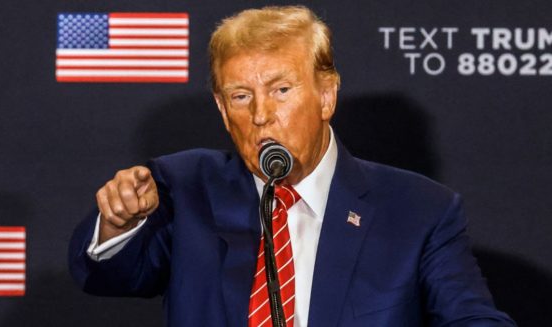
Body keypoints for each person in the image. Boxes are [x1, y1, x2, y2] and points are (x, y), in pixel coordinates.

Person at [69, 5, 516, 327]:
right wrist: (118, 222)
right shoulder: (184, 187)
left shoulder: (420, 209)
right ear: (224, 111)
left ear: (326, 96)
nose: (261, 114)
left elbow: (472, 317)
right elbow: (108, 276)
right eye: (241, 96)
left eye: (281, 90)